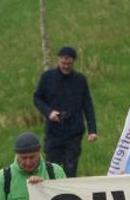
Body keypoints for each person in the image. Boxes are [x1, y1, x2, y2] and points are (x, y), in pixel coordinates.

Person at [33, 46, 96, 177]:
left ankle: (69, 196)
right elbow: (37, 98)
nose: (66, 66)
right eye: (63, 63)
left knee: (70, 167)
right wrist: (49, 112)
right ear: (58, 61)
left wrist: (92, 130)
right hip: (53, 131)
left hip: (73, 132)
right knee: (51, 167)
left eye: (69, 64)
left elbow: (88, 105)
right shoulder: (47, 77)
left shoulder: (80, 80)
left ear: (73, 62)